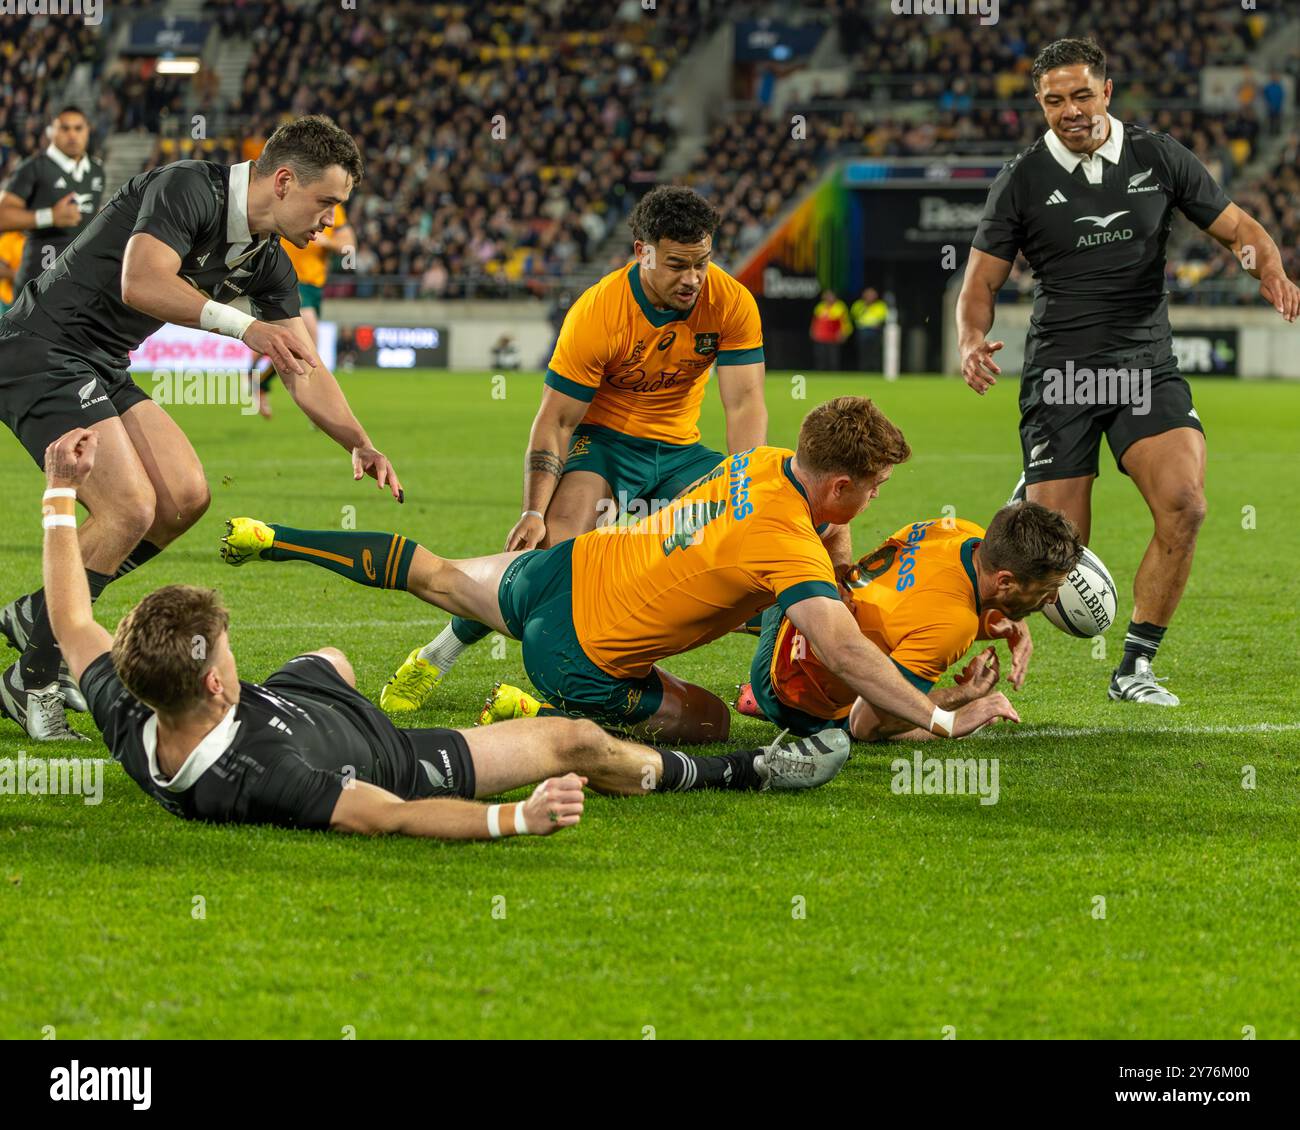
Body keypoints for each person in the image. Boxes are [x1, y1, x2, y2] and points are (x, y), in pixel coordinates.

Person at [37, 432, 850, 845]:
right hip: (390, 751)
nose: (228, 644)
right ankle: (748, 772)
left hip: (299, 700)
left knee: (331, 656)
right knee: (573, 739)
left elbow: (74, 621)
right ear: (214, 682)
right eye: (224, 644)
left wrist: (59, 492)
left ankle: (403, 660)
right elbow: (388, 816)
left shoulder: (130, 704)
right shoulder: (266, 775)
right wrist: (513, 822)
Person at [220, 397, 1021, 748]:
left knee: (429, 574)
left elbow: (734, 577)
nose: (878, 498)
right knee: (710, 722)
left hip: (566, 569)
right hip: (587, 654)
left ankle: (271, 533)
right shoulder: (790, 545)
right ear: (840, 485)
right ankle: (537, 709)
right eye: (874, 487)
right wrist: (943, 716)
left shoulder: (765, 464)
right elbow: (842, 652)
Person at [0, 115, 402, 741]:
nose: (331, 222)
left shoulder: (268, 263)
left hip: (102, 361)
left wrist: (359, 439)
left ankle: (38, 616)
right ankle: (35, 673)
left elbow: (305, 368)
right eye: (327, 203)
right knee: (129, 507)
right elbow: (141, 280)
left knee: (186, 496)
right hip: (42, 348)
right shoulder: (189, 186)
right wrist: (245, 328)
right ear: (286, 181)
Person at [956, 38, 1299, 706]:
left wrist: (1271, 271)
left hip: (1146, 365)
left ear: (1107, 92)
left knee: (1185, 504)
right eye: (1054, 100)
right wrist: (972, 338)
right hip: (1063, 376)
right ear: (1041, 105)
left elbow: (1240, 231)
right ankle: (951, 640)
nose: (1070, 111)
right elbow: (980, 281)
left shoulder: (1157, 157)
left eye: (1081, 95)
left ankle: (1135, 666)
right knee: (1051, 557)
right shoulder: (1023, 178)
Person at [382, 184, 767, 712]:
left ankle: (773, 683)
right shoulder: (598, 312)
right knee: (551, 558)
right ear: (643, 252)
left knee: (761, 547)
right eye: (678, 265)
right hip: (604, 445)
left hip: (681, 451)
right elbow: (557, 421)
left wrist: (743, 489)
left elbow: (744, 403)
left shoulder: (730, 300)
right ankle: (437, 654)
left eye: (702, 262)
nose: (694, 279)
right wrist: (533, 510)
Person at [736, 503, 1081, 741]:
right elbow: (866, 724)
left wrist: (1004, 621)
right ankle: (761, 699)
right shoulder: (952, 626)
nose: (1051, 601)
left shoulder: (960, 532)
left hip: (804, 608)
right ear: (1004, 582)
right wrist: (965, 699)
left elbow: (918, 605)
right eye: (1048, 590)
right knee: (898, 726)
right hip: (789, 691)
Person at [253, 195, 356, 417]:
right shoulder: (293, 200)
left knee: (291, 343)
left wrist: (329, 243)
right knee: (308, 338)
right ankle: (318, 406)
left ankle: (257, 381)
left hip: (315, 286)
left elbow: (350, 250)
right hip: (287, 279)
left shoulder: (334, 212)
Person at [0, 106, 106, 294]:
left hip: (81, 282)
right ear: (51, 132)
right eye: (65, 128)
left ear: (88, 130)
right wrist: (50, 216)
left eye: (78, 128)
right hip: (38, 282)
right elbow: (3, 217)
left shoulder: (97, 171)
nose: (72, 135)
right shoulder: (32, 168)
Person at [850, 287, 888, 372]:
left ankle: (875, 370)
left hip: (875, 331)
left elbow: (883, 318)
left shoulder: (880, 305)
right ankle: (863, 370)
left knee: (875, 352)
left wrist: (878, 324)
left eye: (872, 295)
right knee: (863, 352)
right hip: (862, 331)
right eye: (868, 294)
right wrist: (865, 306)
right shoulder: (858, 304)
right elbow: (854, 316)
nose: (870, 297)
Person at [810, 290, 850, 371]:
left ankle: (833, 374)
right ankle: (820, 373)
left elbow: (845, 322)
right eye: (827, 296)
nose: (828, 298)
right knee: (820, 356)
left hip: (834, 337)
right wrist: (813, 331)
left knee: (833, 357)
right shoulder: (820, 307)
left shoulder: (840, 307)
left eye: (830, 296)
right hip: (821, 336)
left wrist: (844, 333)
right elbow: (815, 321)